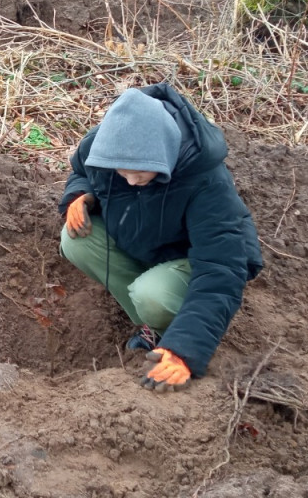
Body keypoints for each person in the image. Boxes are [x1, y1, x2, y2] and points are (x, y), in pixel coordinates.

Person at [58, 83, 262, 391]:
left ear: (161, 158)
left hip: (194, 259)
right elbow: (82, 170)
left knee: (151, 295)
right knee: (76, 239)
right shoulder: (106, 143)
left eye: (139, 175)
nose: (129, 180)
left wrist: (185, 349)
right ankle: (151, 323)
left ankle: (170, 330)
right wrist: (80, 195)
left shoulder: (205, 179)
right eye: (120, 173)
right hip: (148, 246)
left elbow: (221, 269)